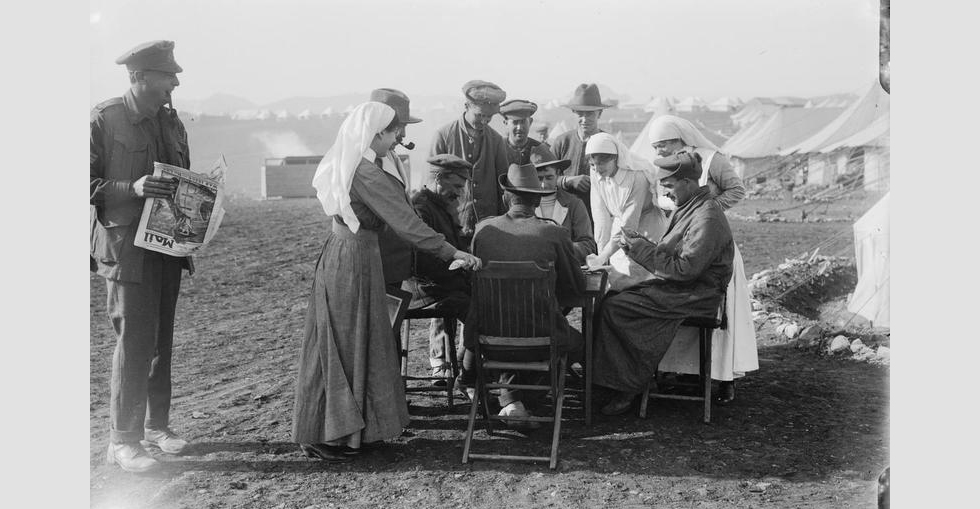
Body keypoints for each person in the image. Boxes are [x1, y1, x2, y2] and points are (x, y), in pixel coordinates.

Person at [293, 98, 482, 462]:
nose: (398, 139)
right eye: (394, 132)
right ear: (375, 132)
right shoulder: (364, 171)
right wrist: (452, 252)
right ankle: (327, 434)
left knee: (358, 344)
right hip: (352, 259)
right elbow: (406, 222)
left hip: (359, 256)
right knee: (344, 346)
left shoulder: (365, 162)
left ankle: (354, 433)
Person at [91, 40, 192, 473]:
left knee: (160, 343)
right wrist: (129, 188)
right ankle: (123, 441)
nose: (175, 82)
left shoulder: (172, 123)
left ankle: (156, 427)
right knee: (134, 343)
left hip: (166, 246)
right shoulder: (105, 118)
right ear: (139, 77)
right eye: (167, 75)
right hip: (124, 249)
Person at [593, 152, 734, 416]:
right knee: (611, 300)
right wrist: (641, 243)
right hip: (685, 288)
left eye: (669, 186)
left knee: (617, 308)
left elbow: (684, 269)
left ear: (689, 183)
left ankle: (630, 384)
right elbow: (673, 255)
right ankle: (616, 380)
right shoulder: (692, 206)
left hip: (697, 295)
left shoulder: (707, 217)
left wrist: (641, 251)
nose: (665, 193)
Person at [464, 163, 586, 427]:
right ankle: (526, 402)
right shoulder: (553, 233)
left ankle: (513, 401)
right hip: (541, 338)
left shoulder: (483, 232)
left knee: (515, 335)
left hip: (489, 339)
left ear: (506, 196)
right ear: (538, 199)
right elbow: (575, 287)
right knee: (578, 344)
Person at [646, 115, 758, 404]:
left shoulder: (712, 159)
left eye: (665, 144)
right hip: (684, 242)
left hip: (715, 245)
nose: (660, 152)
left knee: (723, 313)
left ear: (682, 138)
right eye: (656, 147)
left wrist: (705, 213)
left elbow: (737, 190)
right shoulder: (669, 167)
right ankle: (686, 373)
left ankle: (725, 378)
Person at [403, 154, 473, 383]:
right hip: (424, 290)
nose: (459, 193)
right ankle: (467, 373)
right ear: (437, 179)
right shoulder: (421, 208)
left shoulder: (441, 206)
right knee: (479, 311)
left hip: (439, 284)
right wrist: (462, 271)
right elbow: (423, 263)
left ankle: (463, 364)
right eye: (455, 186)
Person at [583, 132, 668, 291]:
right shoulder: (595, 171)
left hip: (647, 229)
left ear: (615, 158)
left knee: (642, 277)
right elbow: (599, 213)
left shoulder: (637, 176)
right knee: (616, 277)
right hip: (620, 228)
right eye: (593, 165)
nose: (597, 169)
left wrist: (603, 256)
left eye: (601, 164)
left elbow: (629, 225)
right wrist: (601, 253)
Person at [430, 80, 510, 244]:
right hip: (450, 227)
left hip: (488, 229)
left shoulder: (496, 141)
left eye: (489, 117)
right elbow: (429, 184)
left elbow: (504, 188)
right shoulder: (443, 136)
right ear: (467, 106)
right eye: (480, 115)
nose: (485, 121)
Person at [551, 83, 615, 214]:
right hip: (564, 213)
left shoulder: (609, 143)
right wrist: (566, 181)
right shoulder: (562, 142)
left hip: (598, 213)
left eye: (590, 114)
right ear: (574, 113)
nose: (585, 119)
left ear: (600, 113)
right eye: (580, 114)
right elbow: (543, 177)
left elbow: (620, 180)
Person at [530, 146, 596, 265]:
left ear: (558, 174)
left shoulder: (574, 204)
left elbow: (588, 245)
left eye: (549, 177)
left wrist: (560, 251)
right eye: (539, 179)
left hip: (565, 271)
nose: (544, 184)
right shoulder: (525, 204)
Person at [499, 99, 543, 165]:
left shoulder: (541, 150)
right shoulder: (496, 149)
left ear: (530, 122)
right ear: (506, 123)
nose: (519, 127)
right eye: (515, 122)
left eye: (523, 122)